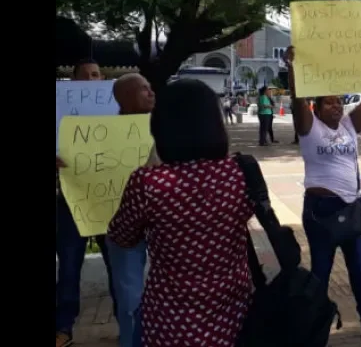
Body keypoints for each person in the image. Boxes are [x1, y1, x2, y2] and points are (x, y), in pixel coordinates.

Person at [107, 79, 254, 346]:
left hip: (170, 321)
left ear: (162, 126)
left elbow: (121, 237)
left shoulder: (148, 182)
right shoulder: (242, 172)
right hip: (235, 314)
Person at [285, 46, 361, 345]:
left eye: (338, 102)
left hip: (353, 209)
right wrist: (293, 69)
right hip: (322, 212)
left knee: (360, 272)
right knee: (320, 274)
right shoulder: (309, 128)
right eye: (328, 102)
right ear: (316, 108)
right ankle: (313, 330)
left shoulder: (349, 125)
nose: (335, 107)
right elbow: (296, 101)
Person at [55, 59, 119, 347]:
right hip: (71, 201)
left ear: (102, 78)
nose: (92, 80)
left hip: (109, 202)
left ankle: (130, 325)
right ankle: (63, 329)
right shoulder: (59, 113)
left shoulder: (117, 111)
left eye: (96, 75)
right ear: (74, 81)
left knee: (117, 267)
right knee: (68, 267)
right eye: (86, 76)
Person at [102, 73, 158, 347]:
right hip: (124, 226)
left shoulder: (165, 128)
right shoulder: (98, 137)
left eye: (150, 88)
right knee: (130, 297)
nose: (151, 93)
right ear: (123, 98)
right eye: (143, 90)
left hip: (161, 224)